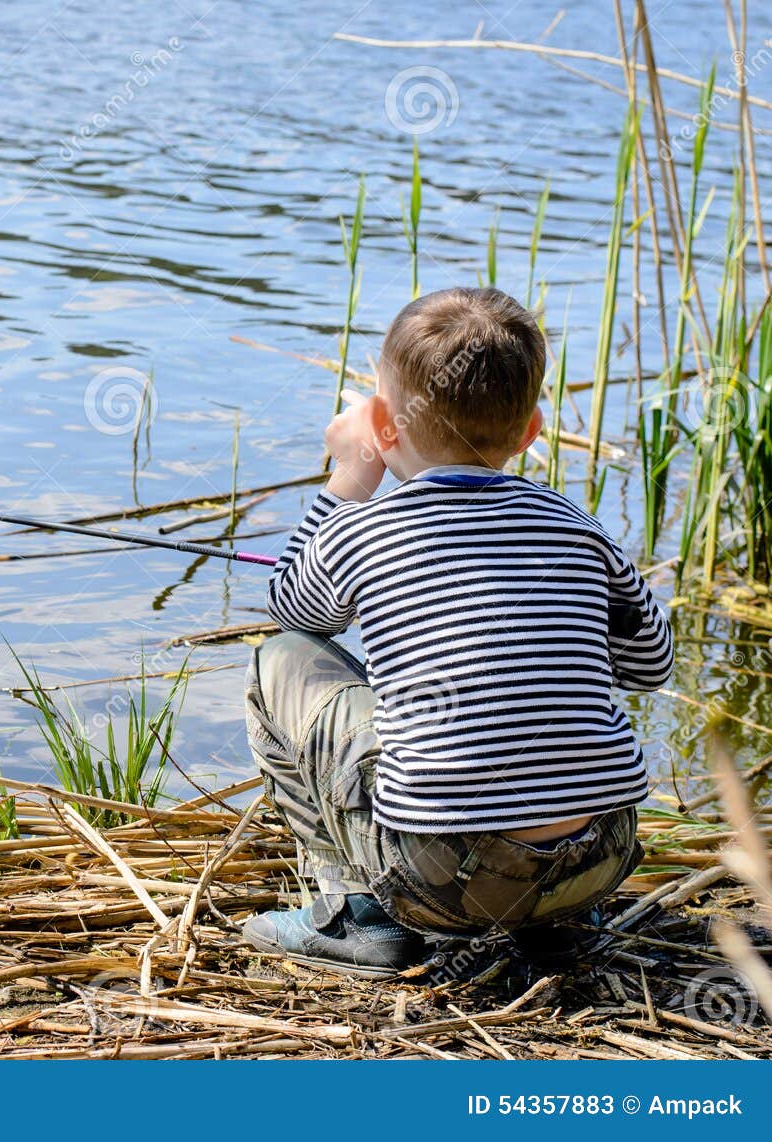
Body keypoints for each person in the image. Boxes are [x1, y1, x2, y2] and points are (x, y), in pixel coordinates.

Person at [242, 286, 672, 978]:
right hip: (599, 860)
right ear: (531, 430)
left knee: (279, 663)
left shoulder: (362, 529)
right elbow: (654, 662)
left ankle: (360, 916)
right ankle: (556, 922)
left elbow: (294, 612)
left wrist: (348, 480)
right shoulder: (579, 527)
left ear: (382, 423)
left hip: (437, 877)